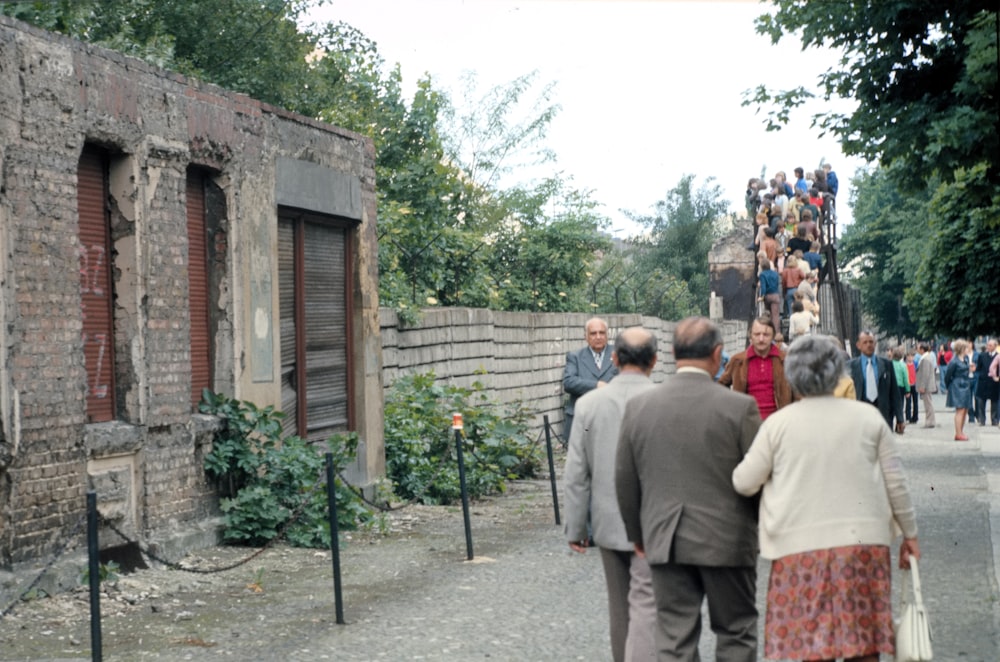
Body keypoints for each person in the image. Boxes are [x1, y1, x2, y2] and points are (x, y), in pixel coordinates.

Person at [732, 335, 920, 662]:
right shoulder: (868, 419)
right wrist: (910, 535)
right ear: (838, 373)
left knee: (809, 645)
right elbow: (896, 482)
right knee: (863, 644)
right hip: (862, 546)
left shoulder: (777, 425)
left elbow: (745, 481)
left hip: (797, 549)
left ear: (793, 375)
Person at [616, 317, 761, 661]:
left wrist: (638, 534)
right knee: (736, 631)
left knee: (674, 636)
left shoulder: (640, 407)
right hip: (729, 540)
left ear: (671, 353)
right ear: (717, 354)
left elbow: (625, 476)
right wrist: (757, 527)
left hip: (666, 538)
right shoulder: (740, 408)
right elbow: (759, 477)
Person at [564, 327, 657, 662]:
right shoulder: (662, 402)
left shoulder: (589, 408)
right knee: (655, 608)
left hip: (608, 522)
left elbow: (577, 470)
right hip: (656, 524)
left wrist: (576, 527)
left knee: (620, 609)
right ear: (655, 361)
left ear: (615, 359)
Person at [719, 317, 793, 421]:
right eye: (757, 334)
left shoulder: (785, 361)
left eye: (766, 335)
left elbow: (798, 393)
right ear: (751, 336)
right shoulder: (738, 361)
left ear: (773, 336)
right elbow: (720, 385)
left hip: (778, 424)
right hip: (747, 425)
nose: (761, 339)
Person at [563, 317, 618, 443]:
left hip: (611, 420)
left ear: (607, 335)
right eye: (593, 333)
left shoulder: (619, 354)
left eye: (602, 333)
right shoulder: (575, 357)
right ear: (586, 336)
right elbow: (569, 382)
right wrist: (596, 385)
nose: (598, 337)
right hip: (582, 422)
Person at [849, 331, 904, 432]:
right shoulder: (851, 366)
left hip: (883, 414)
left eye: (871, 342)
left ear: (875, 344)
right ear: (858, 345)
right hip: (860, 414)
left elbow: (895, 393)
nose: (869, 345)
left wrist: (900, 418)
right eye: (865, 342)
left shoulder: (886, 364)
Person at [944, 338, 974, 441]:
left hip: (966, 384)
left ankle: (961, 431)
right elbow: (947, 376)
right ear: (962, 348)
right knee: (960, 410)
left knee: (965, 409)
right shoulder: (954, 361)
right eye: (966, 347)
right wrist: (949, 387)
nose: (968, 348)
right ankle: (958, 433)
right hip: (957, 385)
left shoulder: (965, 359)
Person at [974, 338, 998, 425]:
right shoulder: (982, 355)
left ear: (995, 346)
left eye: (990, 345)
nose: (988, 347)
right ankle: (982, 420)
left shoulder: (998, 356)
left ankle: (994, 420)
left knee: (995, 402)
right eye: (988, 345)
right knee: (981, 401)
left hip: (994, 382)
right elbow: (978, 367)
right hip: (983, 382)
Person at [916, 342, 938, 427]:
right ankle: (930, 420)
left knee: (928, 403)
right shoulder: (926, 357)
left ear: (922, 349)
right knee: (928, 403)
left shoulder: (925, 359)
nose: (917, 349)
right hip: (928, 385)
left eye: (918, 348)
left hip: (927, 385)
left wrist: (922, 386)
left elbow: (925, 374)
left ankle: (930, 421)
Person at [757, 259, 781, 333]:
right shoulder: (775, 273)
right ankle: (776, 332)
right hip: (775, 294)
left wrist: (762, 296)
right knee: (775, 315)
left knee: (768, 314)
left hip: (768, 295)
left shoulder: (763, 274)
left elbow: (763, 287)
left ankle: (768, 330)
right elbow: (777, 284)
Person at [905, 349, 919, 423]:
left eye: (912, 356)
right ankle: (908, 417)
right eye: (909, 356)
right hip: (908, 384)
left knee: (915, 402)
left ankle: (915, 417)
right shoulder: (905, 365)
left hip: (914, 384)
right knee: (908, 402)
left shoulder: (915, 364)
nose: (910, 358)